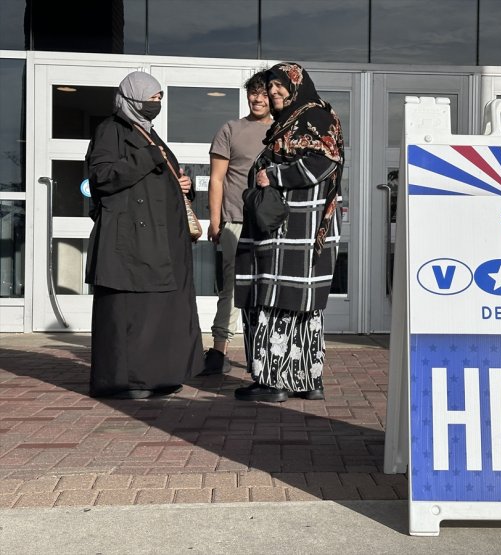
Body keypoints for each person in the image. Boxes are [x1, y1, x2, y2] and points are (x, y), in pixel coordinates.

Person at [85, 71, 203, 399]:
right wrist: (146, 157)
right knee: (130, 313)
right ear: (133, 98)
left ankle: (158, 376)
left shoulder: (148, 132)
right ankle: (127, 382)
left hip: (159, 240)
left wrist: (181, 186)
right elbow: (102, 176)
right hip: (130, 240)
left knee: (156, 311)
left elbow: (157, 178)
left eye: (160, 98)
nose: (157, 103)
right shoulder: (111, 130)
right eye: (152, 98)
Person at [233, 62, 344, 403]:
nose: (274, 92)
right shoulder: (295, 120)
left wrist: (275, 176)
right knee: (297, 305)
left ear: (296, 84)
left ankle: (274, 382)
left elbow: (326, 160)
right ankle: (307, 380)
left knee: (276, 300)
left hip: (295, 230)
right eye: (270, 87)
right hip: (291, 229)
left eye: (280, 85)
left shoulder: (313, 116)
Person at [201, 72, 272, 375]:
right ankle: (219, 351)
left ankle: (267, 352)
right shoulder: (231, 129)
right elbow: (216, 179)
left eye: (264, 94)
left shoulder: (283, 132)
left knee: (269, 288)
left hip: (271, 224)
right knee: (230, 286)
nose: (257, 99)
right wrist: (215, 221)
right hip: (235, 221)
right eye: (253, 93)